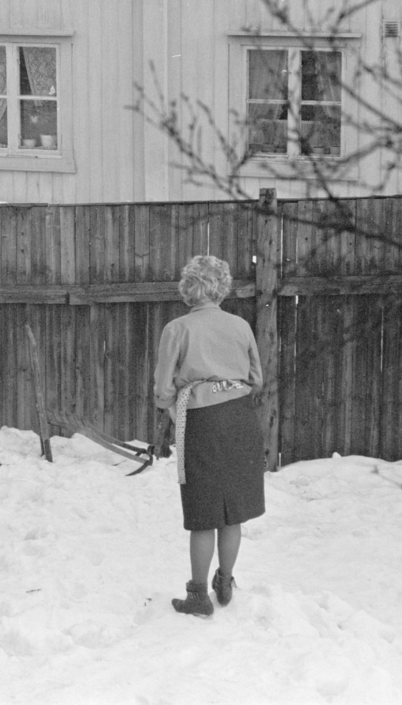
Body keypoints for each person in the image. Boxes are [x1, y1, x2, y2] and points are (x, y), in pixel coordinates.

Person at [153, 254, 265, 616]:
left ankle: (198, 595)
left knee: (203, 512)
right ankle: (226, 580)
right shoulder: (240, 326)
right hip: (240, 419)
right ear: (222, 286)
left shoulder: (177, 329)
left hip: (200, 419)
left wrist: (172, 406)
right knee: (233, 511)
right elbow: (256, 379)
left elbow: (162, 387)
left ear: (188, 287)